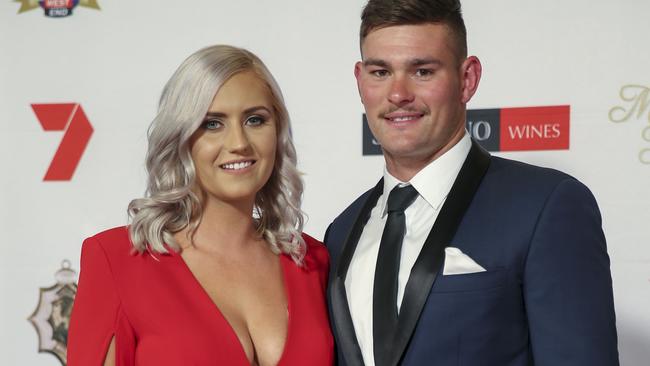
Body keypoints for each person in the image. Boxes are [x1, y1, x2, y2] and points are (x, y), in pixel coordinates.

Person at [324, 1, 619, 365]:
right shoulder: (341, 232)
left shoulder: (545, 207)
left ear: (468, 79)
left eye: (422, 71)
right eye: (380, 72)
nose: (398, 94)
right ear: (360, 80)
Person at [68, 45, 333, 366]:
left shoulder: (311, 261)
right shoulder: (117, 259)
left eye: (255, 120)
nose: (238, 143)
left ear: (277, 132)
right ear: (181, 137)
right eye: (212, 123)